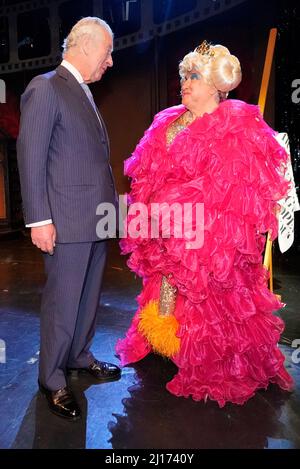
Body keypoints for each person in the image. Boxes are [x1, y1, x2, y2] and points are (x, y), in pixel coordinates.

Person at [116, 41, 294, 407]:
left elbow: (240, 190)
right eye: (184, 76)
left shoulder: (236, 125)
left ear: (215, 84)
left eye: (194, 76)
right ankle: (169, 341)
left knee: (209, 293)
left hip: (210, 235)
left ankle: (209, 356)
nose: (185, 83)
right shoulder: (167, 120)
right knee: (165, 283)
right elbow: (149, 174)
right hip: (168, 228)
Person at [17, 17, 121, 421]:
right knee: (62, 302)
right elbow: (32, 156)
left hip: (95, 218)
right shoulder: (46, 87)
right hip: (64, 218)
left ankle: (78, 355)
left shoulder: (82, 92)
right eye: (108, 52)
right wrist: (39, 219)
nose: (110, 61)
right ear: (88, 45)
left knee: (87, 298)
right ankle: (52, 378)